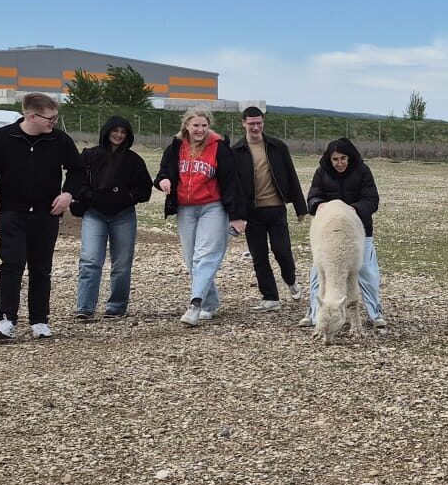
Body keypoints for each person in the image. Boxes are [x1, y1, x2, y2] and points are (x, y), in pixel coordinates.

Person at [0, 93, 84, 341]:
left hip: (47, 214)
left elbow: (77, 170)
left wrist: (68, 194)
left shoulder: (60, 140)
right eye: (50, 118)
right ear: (31, 116)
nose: (53, 122)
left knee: (41, 268)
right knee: (11, 264)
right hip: (12, 212)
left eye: (55, 118)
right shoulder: (2, 138)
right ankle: (6, 319)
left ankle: (39, 320)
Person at [156, 108, 243, 327]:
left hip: (212, 207)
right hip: (186, 209)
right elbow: (163, 172)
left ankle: (195, 305)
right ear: (186, 125)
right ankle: (209, 303)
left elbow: (231, 182)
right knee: (191, 259)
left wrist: (236, 216)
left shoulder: (219, 147)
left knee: (205, 256)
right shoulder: (176, 147)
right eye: (196, 125)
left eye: (204, 125)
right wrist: (163, 181)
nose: (200, 130)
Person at [71, 116, 153, 320]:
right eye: (115, 130)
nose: (118, 135)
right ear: (107, 132)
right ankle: (85, 307)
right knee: (90, 259)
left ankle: (116, 306)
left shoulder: (134, 160)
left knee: (122, 263)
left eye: (123, 132)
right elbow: (77, 180)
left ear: (128, 135)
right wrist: (90, 196)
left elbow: (145, 189)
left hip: (124, 215)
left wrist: (127, 197)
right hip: (94, 213)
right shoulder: (89, 156)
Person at [300, 138, 385, 329]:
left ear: (350, 157)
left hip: (358, 232)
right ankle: (316, 312)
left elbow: (371, 199)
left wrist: (355, 209)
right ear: (329, 159)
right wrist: (318, 205)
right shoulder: (322, 172)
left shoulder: (362, 171)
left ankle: (375, 312)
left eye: (343, 158)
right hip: (328, 234)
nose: (339, 163)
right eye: (335, 159)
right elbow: (313, 196)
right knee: (320, 272)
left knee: (367, 271)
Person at [228, 106, 307, 313]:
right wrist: (235, 215)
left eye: (259, 123)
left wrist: (300, 207)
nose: (255, 127)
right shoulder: (236, 151)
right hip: (252, 213)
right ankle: (270, 297)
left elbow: (291, 174)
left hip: (276, 209)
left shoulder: (277, 147)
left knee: (282, 251)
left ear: (263, 122)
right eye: (251, 123)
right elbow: (233, 186)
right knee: (259, 256)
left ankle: (291, 280)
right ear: (243, 124)